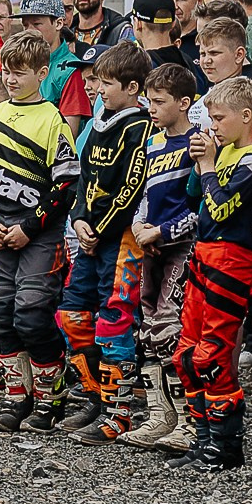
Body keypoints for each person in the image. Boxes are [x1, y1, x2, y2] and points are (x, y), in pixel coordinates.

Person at [172, 77, 252, 472]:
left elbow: (219, 207)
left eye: (219, 118)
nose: (212, 127)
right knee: (185, 354)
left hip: (233, 260)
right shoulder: (225, 152)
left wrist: (207, 165)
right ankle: (202, 439)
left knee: (211, 356)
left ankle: (226, 445)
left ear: (246, 116)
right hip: (203, 254)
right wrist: (200, 163)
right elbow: (193, 197)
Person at [0, 33, 78, 430]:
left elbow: (66, 185)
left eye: (20, 73)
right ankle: (16, 398)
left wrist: (29, 227)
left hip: (40, 235)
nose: (12, 79)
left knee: (32, 313)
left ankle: (51, 398)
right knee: (2, 315)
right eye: (7, 72)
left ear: (42, 72)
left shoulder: (53, 120)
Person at [55, 42, 151, 436]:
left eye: (105, 83)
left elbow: (131, 186)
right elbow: (83, 180)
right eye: (95, 81)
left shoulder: (141, 127)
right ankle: (97, 397)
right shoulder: (98, 124)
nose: (96, 89)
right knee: (72, 316)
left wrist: (100, 230)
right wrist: (79, 220)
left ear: (132, 87)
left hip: (121, 240)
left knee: (114, 322)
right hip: (89, 236)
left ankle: (120, 411)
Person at [111, 62, 202, 449]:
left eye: (159, 101)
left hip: (181, 245)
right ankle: (159, 415)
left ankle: (189, 420)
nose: (151, 107)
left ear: (184, 103)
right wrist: (139, 225)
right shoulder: (153, 143)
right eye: (148, 99)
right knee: (147, 331)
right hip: (148, 245)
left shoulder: (198, 143)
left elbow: (200, 205)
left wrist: (162, 231)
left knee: (170, 330)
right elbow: (144, 194)